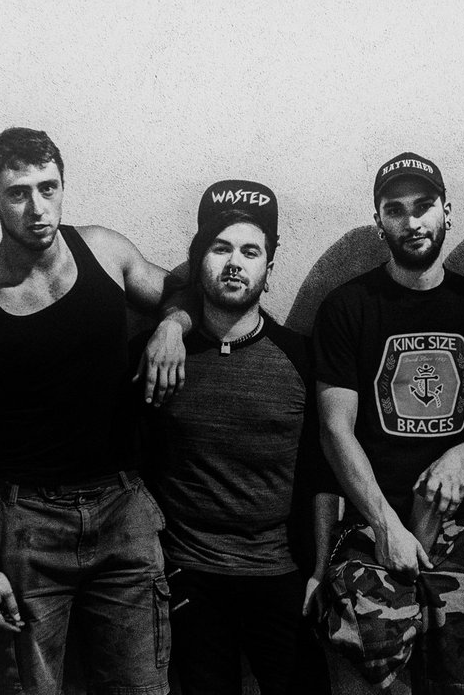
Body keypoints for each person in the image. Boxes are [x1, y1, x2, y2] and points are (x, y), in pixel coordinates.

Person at [0, 126, 191, 695]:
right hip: (29, 520)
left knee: (141, 687)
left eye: (48, 188)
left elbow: (178, 288)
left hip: (122, 506)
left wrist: (172, 327)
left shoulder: (105, 252)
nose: (37, 208)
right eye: (18, 192)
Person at [312, 152, 464, 693]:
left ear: (447, 211)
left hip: (458, 527)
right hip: (371, 522)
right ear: (379, 221)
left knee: (458, 679)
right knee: (375, 670)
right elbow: (334, 429)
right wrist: (385, 525)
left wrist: (461, 454)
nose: (412, 221)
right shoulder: (348, 307)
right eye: (395, 210)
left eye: (423, 206)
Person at [139, 179, 330, 694]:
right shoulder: (159, 356)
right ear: (197, 259)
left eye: (250, 251)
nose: (234, 263)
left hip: (280, 572)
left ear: (270, 265)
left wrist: (320, 567)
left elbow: (322, 473)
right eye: (220, 248)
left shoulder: (301, 356)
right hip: (188, 574)